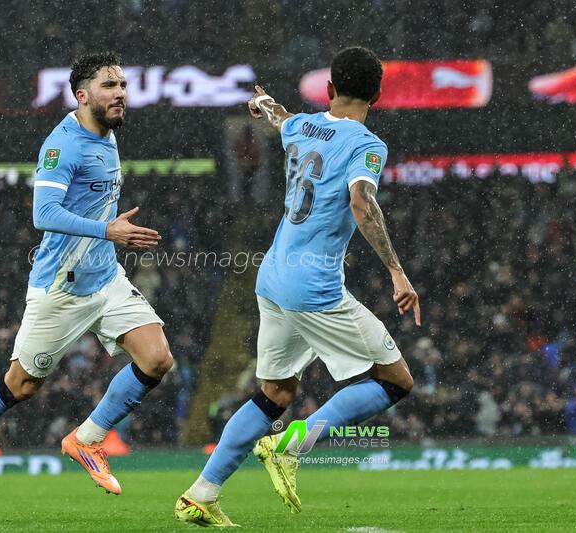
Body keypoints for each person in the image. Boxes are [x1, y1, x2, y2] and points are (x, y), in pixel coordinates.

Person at [175, 46, 421, 527]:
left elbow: (281, 118)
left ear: (329, 89)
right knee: (396, 380)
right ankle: (292, 446)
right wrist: (396, 269)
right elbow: (361, 203)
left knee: (275, 393)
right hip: (314, 286)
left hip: (272, 278)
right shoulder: (368, 144)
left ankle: (200, 494)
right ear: (377, 94)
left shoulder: (303, 126)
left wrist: (263, 103)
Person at [0, 51, 174, 522]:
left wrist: (107, 237)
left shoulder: (106, 136)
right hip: (61, 286)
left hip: (105, 277)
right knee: (20, 384)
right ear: (82, 96)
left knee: (157, 357)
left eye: (123, 84)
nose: (121, 93)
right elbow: (43, 215)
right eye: (109, 86)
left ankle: (85, 439)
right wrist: (108, 231)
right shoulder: (62, 146)